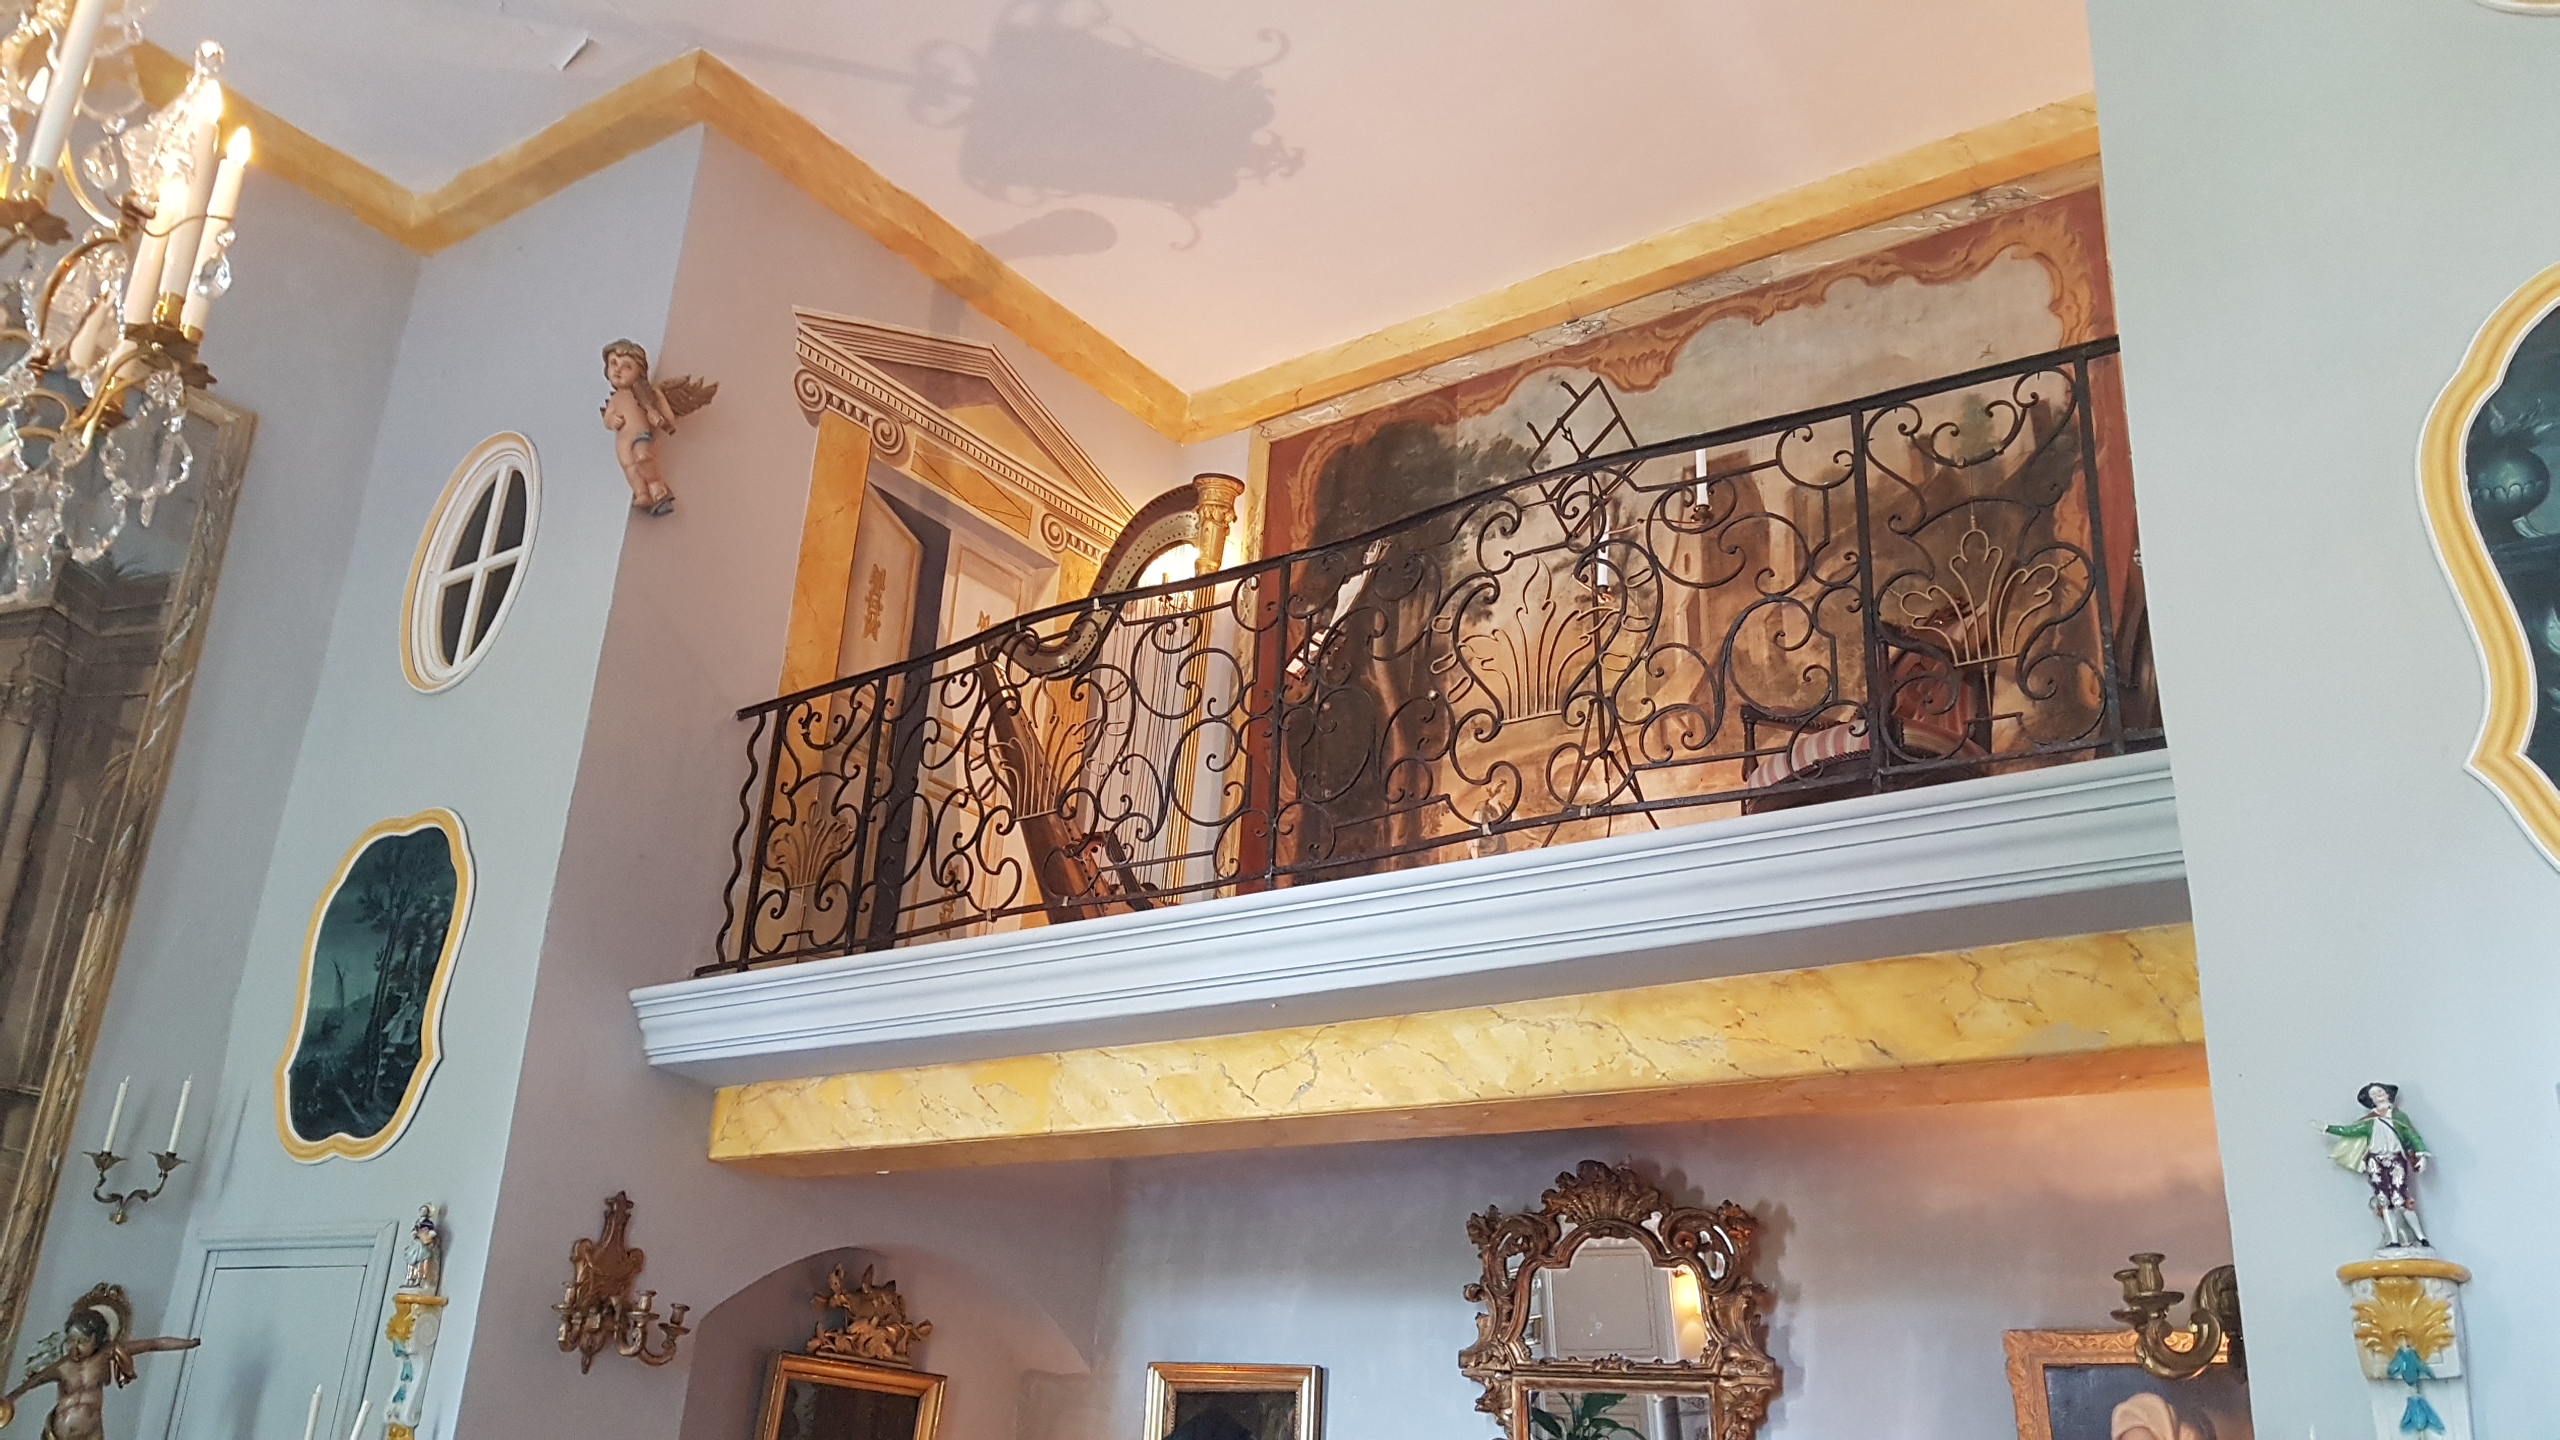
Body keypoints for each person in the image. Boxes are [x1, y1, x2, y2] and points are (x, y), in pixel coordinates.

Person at [0, 1290, 198, 1439]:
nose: (75, 1348)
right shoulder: (62, 1367)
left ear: (97, 1339)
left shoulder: (105, 1355)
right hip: (60, 1435)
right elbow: (31, 1383)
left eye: (82, 1341)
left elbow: (153, 1344)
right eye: (71, 1341)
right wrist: (9, 1399)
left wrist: (188, 1343)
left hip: (93, 1433)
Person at [599, 340, 716, 517]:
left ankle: (655, 485)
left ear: (639, 372)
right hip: (623, 443)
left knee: (643, 456)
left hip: (641, 435)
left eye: (626, 367)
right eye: (613, 363)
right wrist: (611, 420)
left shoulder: (648, 393)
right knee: (630, 468)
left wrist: (658, 414)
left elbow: (668, 418)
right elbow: (607, 419)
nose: (618, 370)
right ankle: (642, 493)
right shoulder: (615, 399)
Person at [2324, 1081, 2431, 1247]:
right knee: (2383, 1200)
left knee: (2400, 1199)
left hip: (2395, 1158)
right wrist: (2328, 1128)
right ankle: (2394, 1240)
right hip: (2375, 1160)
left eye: (2380, 1091)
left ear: (2387, 1093)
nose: (2377, 1095)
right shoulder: (2370, 1120)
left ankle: (2421, 1237)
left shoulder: (2399, 1117)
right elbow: (2350, 1130)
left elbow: (2412, 1135)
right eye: (2373, 1094)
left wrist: (2421, 1155)